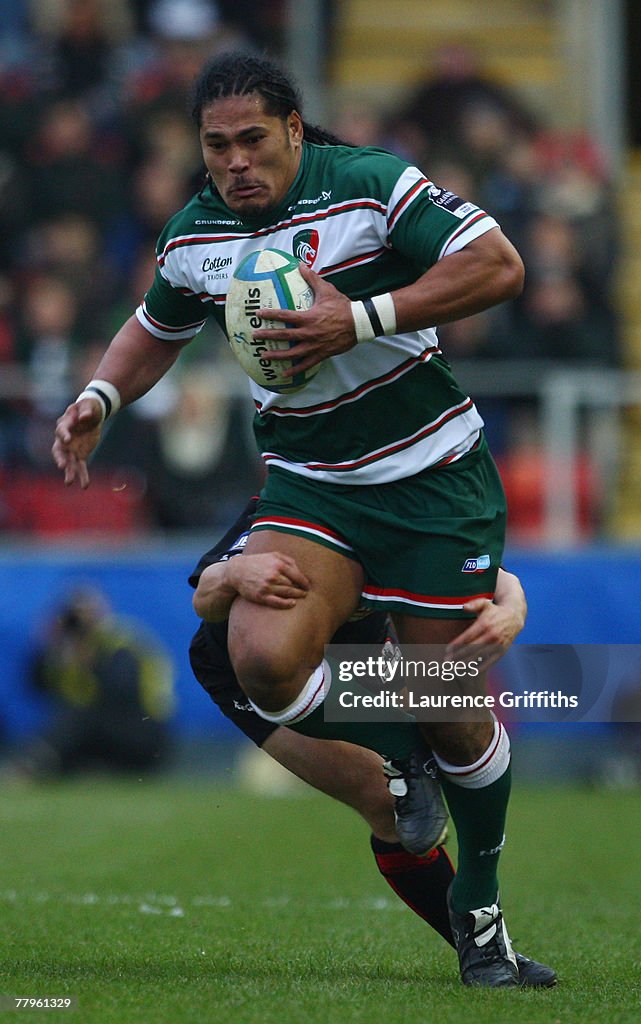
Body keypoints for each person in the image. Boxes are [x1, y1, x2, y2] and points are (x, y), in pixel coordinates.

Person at [52, 52, 553, 988]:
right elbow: (150, 330)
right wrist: (98, 398)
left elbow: (500, 265)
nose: (236, 161)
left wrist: (358, 319)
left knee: (453, 711)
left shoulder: (368, 184)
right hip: (312, 481)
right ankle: (397, 761)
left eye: (253, 140)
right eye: (216, 146)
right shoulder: (195, 234)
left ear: (293, 129)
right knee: (260, 655)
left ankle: (480, 916)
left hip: (435, 475)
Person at [188, 496, 551, 984]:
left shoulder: (407, 504)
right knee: (383, 802)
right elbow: (204, 593)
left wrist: (513, 609)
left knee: (456, 727)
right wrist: (236, 576)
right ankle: (481, 947)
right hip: (244, 671)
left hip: (358, 663)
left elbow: (501, 580)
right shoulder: (282, 505)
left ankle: (485, 947)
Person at [11, 585, 174, 779]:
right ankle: (68, 768)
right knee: (69, 721)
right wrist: (46, 650)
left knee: (79, 718)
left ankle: (30, 767)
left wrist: (91, 663)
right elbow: (38, 687)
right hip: (98, 733)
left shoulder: (121, 642)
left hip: (144, 730)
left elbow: (121, 695)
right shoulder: (66, 649)